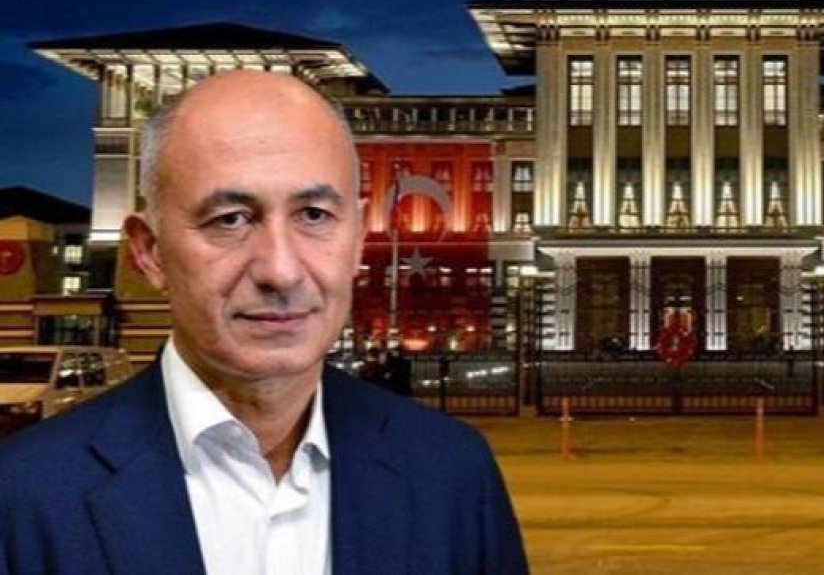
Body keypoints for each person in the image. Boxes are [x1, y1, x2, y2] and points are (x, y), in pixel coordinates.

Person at [0, 71, 528, 574]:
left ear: (356, 241)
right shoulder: (25, 497)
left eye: (314, 215)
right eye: (230, 219)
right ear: (149, 252)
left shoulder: (451, 473)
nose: (280, 270)